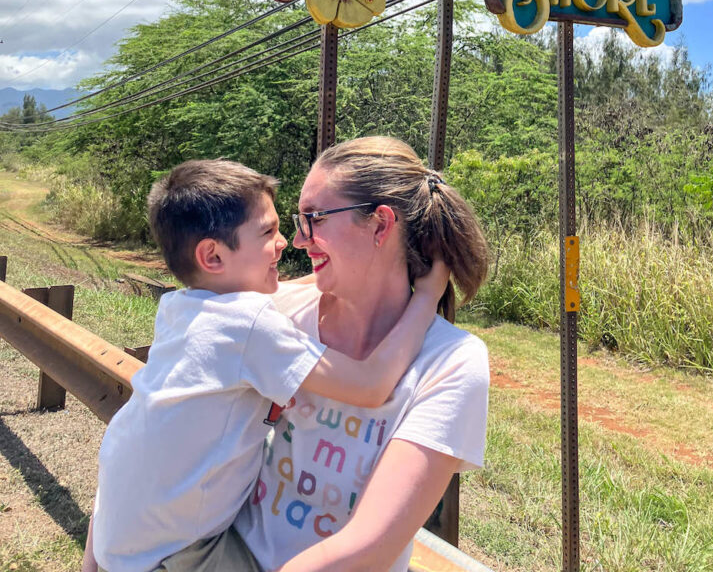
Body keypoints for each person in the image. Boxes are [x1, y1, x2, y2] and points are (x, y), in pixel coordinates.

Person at [83, 159, 448, 572]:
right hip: (180, 556)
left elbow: (291, 289)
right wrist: (426, 296)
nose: (287, 243)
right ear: (213, 256)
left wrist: (353, 269)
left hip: (123, 531)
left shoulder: (183, 307)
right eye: (268, 232)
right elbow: (370, 385)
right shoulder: (250, 326)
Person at [234, 136, 490, 572]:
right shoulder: (278, 316)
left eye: (313, 219)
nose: (299, 240)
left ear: (380, 225)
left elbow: (368, 547)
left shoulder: (452, 364)